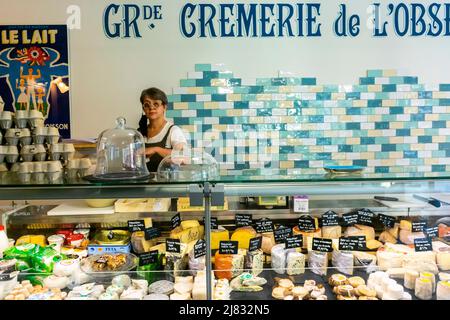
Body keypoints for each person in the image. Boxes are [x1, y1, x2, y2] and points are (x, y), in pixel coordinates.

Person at [138, 87, 188, 172]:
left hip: (166, 184)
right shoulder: (139, 133)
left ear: (164, 107)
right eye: (147, 105)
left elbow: (185, 159)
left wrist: (156, 149)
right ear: (143, 109)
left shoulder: (173, 131)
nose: (151, 108)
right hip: (143, 184)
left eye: (156, 104)